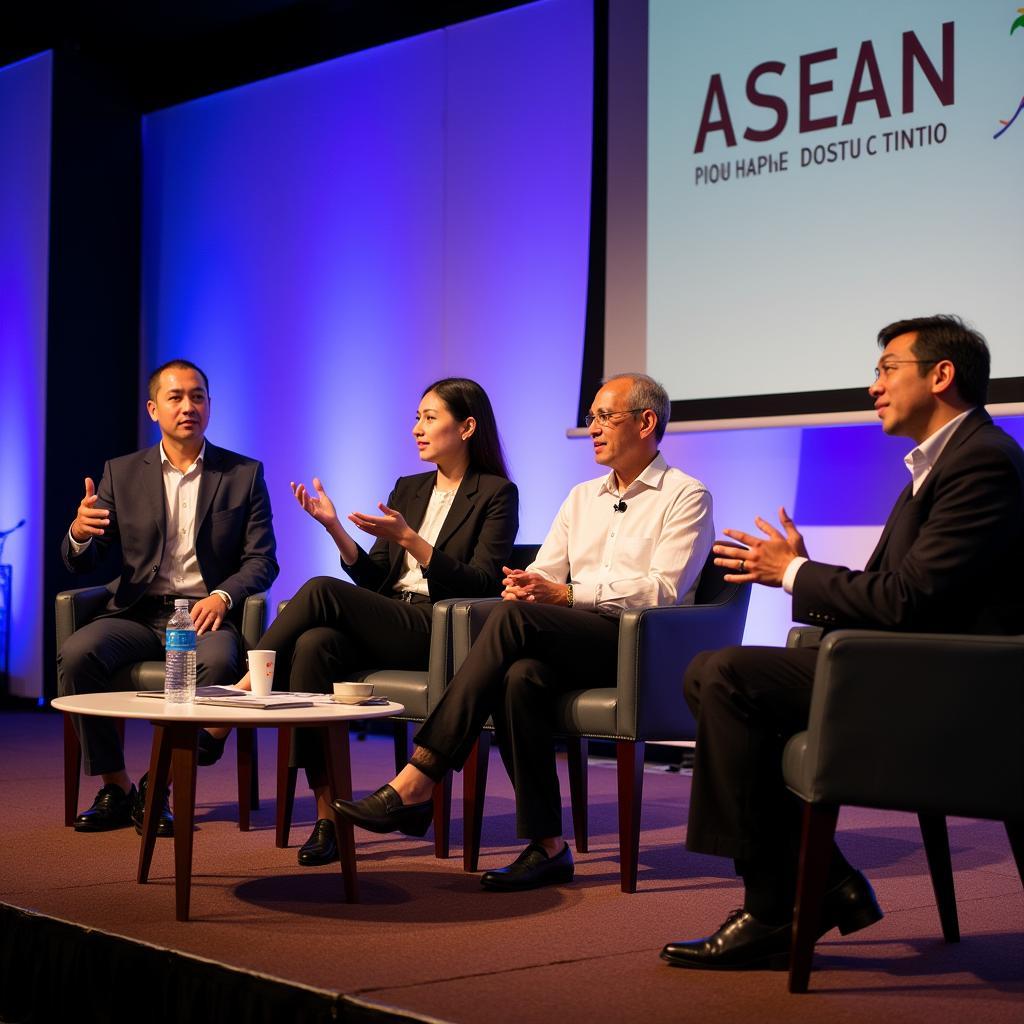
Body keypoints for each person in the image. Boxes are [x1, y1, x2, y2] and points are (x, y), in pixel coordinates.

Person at [661, 314, 1024, 970]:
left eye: (887, 369)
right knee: (709, 673)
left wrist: (796, 572)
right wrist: (809, 573)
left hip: (954, 691)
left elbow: (906, 601)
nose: (873, 387)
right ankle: (823, 883)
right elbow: (903, 592)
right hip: (908, 671)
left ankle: (778, 904)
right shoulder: (939, 465)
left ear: (941, 375)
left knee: (726, 675)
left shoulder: (982, 464)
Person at [333, 373, 715, 891]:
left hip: (639, 646)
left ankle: (420, 775)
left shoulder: (686, 495)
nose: (593, 429)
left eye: (605, 417)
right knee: (519, 675)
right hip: (573, 636)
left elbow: (661, 590)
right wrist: (524, 586)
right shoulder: (582, 497)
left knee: (510, 621)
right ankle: (549, 846)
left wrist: (563, 595)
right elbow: (547, 571)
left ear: (646, 423)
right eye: (591, 419)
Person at [218, 377, 518, 867]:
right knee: (315, 644)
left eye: (429, 418)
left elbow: (484, 584)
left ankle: (246, 684)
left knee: (316, 588)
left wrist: (412, 541)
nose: (416, 428)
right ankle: (328, 817)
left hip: (440, 630)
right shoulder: (410, 487)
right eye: (416, 417)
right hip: (394, 617)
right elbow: (375, 581)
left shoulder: (497, 493)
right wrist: (334, 527)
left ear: (466, 427)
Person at [59, 359, 278, 837]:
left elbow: (263, 561)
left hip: (205, 618)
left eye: (197, 396)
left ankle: (159, 788)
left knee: (220, 667)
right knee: (77, 655)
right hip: (139, 613)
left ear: (210, 406)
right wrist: (78, 533)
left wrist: (223, 595)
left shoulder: (243, 474)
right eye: (176, 398)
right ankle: (116, 787)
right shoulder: (121, 473)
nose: (188, 406)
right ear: (153, 409)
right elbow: (86, 558)